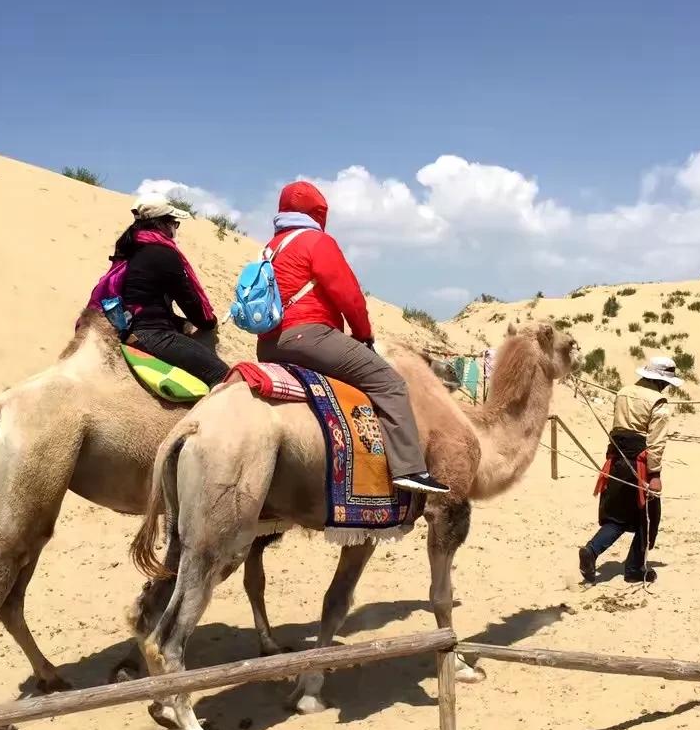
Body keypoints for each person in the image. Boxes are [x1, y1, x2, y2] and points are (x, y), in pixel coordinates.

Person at [255, 181, 449, 495]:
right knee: (390, 383)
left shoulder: (271, 247)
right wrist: (363, 334)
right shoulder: (317, 242)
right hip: (310, 336)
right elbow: (349, 296)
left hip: (268, 344)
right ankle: (410, 470)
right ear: (318, 212)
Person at [87, 195, 228, 387]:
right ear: (162, 224)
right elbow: (189, 303)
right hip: (152, 333)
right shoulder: (164, 254)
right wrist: (209, 322)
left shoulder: (130, 247)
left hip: (128, 326)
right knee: (223, 376)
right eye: (174, 223)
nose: (175, 230)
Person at [578, 355, 680, 584]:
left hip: (616, 460)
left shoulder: (624, 391)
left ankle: (592, 551)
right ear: (661, 381)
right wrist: (654, 475)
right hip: (639, 464)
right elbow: (656, 443)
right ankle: (634, 568)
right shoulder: (658, 402)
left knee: (618, 516)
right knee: (647, 517)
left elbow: (619, 428)